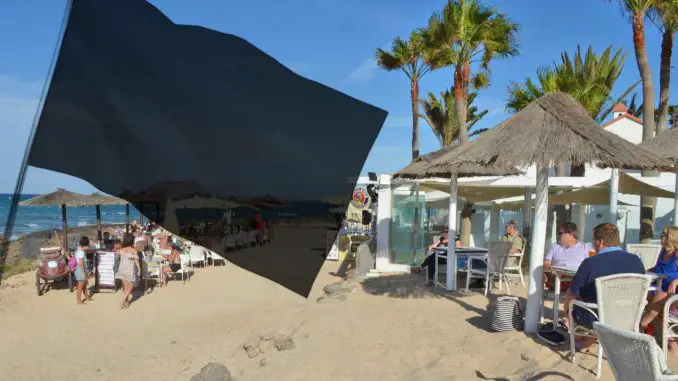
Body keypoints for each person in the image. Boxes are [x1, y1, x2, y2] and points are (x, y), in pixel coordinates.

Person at [564, 223, 645, 351]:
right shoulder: (636, 260)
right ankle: (593, 338)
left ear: (600, 242)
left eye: (593, 241)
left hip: (598, 318)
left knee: (572, 305)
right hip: (628, 315)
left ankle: (586, 339)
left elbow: (571, 294)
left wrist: (567, 313)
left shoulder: (590, 263)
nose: (592, 245)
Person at [640, 226, 678, 355]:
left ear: (673, 238)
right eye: (662, 234)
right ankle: (673, 346)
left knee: (655, 306)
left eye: (665, 235)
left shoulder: (676, 253)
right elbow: (657, 269)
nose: (662, 237)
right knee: (644, 298)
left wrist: (676, 281)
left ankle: (640, 327)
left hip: (673, 292)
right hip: (660, 286)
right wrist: (643, 272)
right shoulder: (663, 251)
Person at [543, 222, 591, 292]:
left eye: (560, 233)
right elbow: (547, 262)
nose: (558, 236)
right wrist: (548, 268)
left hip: (576, 280)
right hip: (556, 279)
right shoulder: (555, 246)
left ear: (570, 234)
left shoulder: (585, 247)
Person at [115, 233, 141, 309]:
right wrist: (139, 270)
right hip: (129, 270)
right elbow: (136, 261)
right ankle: (123, 301)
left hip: (122, 269)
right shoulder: (133, 250)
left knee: (126, 286)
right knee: (131, 285)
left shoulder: (121, 249)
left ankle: (126, 302)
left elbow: (117, 256)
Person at [74, 236, 92, 305]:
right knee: (80, 286)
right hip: (81, 271)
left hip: (80, 270)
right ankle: (79, 301)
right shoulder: (81, 252)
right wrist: (84, 274)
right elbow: (81, 264)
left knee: (84, 285)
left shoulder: (78, 250)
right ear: (85, 245)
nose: (88, 248)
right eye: (88, 246)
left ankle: (87, 297)